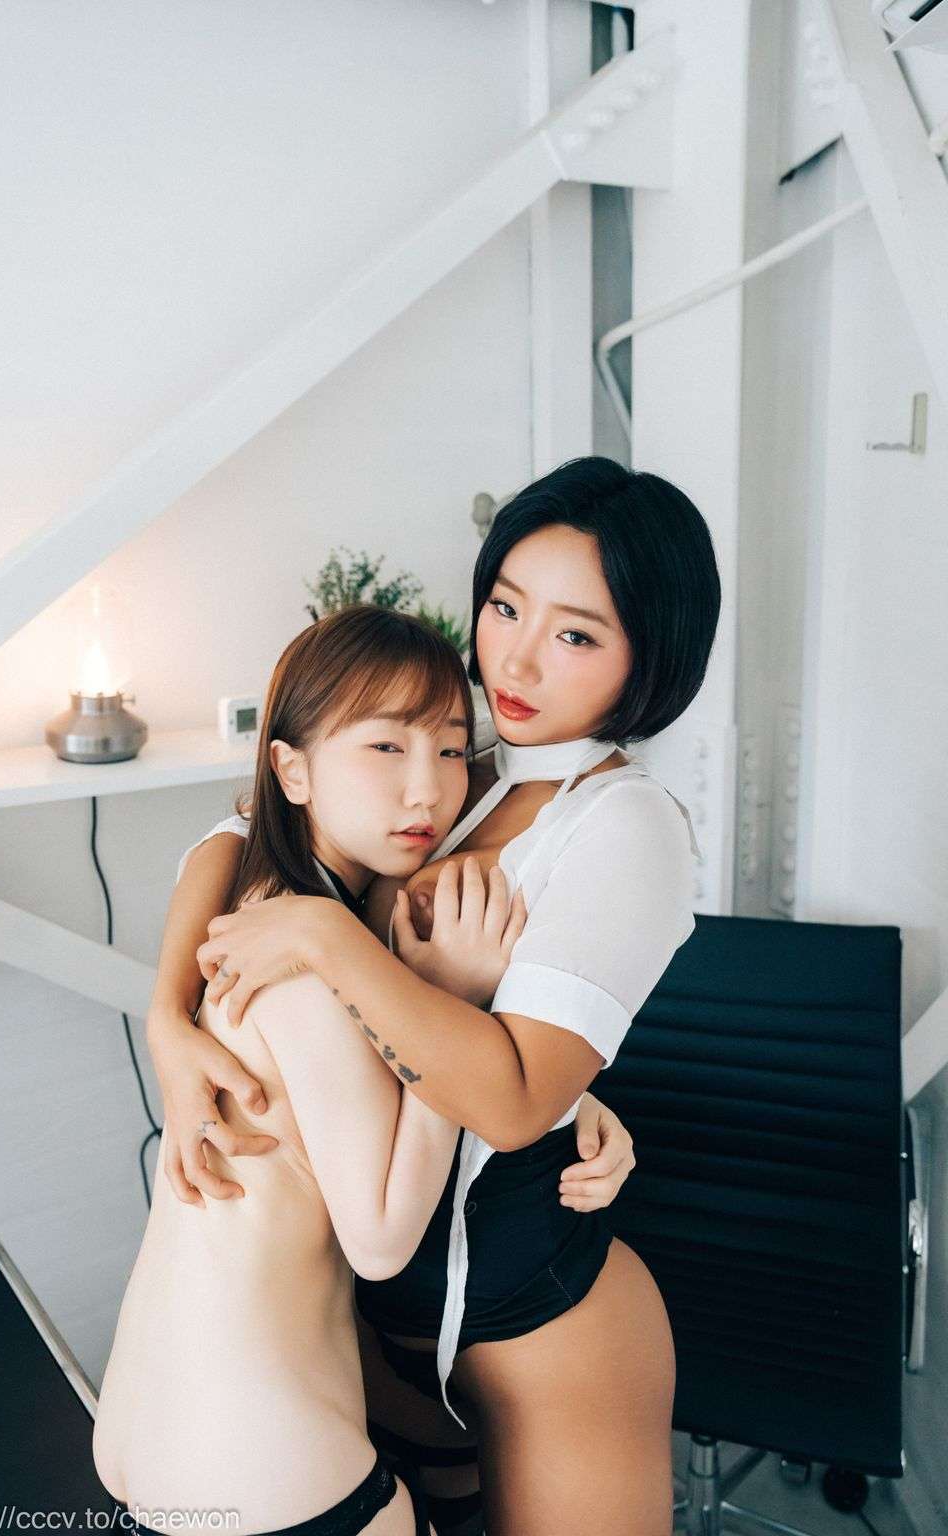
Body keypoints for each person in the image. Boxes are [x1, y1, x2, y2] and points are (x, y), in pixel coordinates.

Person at [153, 455, 721, 1536]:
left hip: (540, 1333)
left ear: (650, 655)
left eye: (576, 635)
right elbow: (244, 830)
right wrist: (165, 1016)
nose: (515, 656)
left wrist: (332, 940)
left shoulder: (626, 825)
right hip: (372, 1326)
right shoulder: (465, 770)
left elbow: (509, 1101)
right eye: (505, 606)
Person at [93, 605, 618, 1536]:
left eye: (451, 749)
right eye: (385, 747)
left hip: (151, 1428)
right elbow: (378, 1242)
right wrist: (450, 1002)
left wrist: (569, 1096)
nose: (428, 790)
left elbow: (226, 834)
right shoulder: (302, 970)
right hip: (262, 1461)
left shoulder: (266, 905)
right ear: (291, 770)